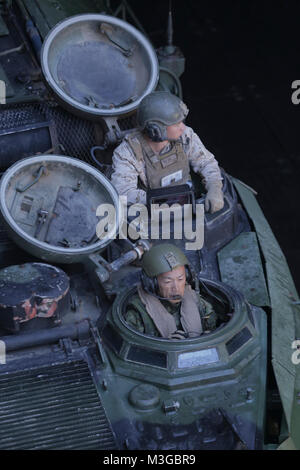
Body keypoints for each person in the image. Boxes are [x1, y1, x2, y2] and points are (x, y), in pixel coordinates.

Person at [111, 91, 224, 213]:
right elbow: (123, 192)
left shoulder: (185, 135)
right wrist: (165, 201)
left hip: (189, 200)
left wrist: (215, 187)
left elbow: (206, 162)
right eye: (176, 124)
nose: (182, 127)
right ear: (156, 130)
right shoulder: (128, 152)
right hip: (153, 211)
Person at [124, 243, 217, 339]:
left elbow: (213, 325)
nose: (176, 288)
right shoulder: (137, 314)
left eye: (180, 279)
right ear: (151, 283)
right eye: (168, 282)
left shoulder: (196, 301)